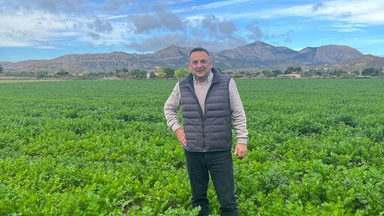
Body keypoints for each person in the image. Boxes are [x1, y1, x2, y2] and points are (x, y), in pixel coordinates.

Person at [164, 47, 248, 216]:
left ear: (211, 64)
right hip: (193, 152)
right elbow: (169, 108)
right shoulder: (182, 85)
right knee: (198, 198)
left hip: (220, 151)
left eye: (203, 61)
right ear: (189, 66)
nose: (199, 65)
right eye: (195, 62)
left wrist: (242, 140)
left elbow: (238, 112)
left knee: (227, 200)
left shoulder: (226, 82)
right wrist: (178, 129)